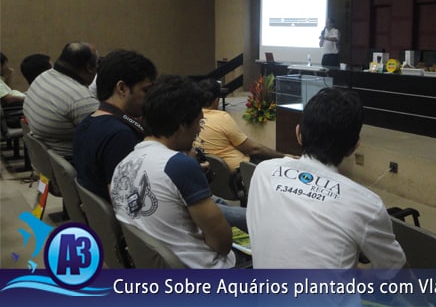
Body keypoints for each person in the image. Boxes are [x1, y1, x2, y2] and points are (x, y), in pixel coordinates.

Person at [246, 87, 406, 269]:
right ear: (353, 147)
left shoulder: (263, 172)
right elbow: (397, 274)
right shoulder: (366, 204)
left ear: (298, 134)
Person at [110, 75, 236, 268]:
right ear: (182, 125)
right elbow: (223, 243)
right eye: (198, 123)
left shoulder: (123, 165)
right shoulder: (178, 166)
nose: (198, 132)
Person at [73, 49, 157, 201]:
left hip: (96, 219)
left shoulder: (87, 122)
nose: (149, 98)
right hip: (118, 222)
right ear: (122, 88)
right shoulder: (120, 135)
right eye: (146, 90)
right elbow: (127, 203)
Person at [194, 78, 288, 173]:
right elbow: (253, 149)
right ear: (216, 100)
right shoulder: (222, 117)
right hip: (238, 172)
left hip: (212, 173)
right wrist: (284, 156)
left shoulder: (192, 118)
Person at [23, 41, 99, 158]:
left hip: (49, 159)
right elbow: (105, 139)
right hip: (72, 162)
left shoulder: (43, 77)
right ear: (89, 67)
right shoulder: (81, 99)